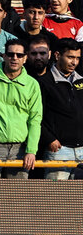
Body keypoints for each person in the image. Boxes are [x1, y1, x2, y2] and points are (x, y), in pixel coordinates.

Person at [0, 39, 42, 179]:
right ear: (4, 56)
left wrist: (31, 150)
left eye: (19, 55)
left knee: (16, 197)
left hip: (20, 148)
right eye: (10, 54)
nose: (14, 58)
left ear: (25, 58)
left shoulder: (32, 84)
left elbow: (35, 119)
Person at [37, 38, 83, 180]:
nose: (74, 62)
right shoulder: (43, 83)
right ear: (57, 55)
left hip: (82, 149)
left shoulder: (81, 80)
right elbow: (35, 116)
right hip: (58, 150)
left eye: (77, 58)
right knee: (55, 199)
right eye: (70, 57)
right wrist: (49, 139)